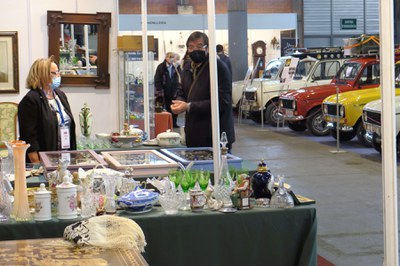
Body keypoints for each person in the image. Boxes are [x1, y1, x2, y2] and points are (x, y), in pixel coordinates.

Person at [171, 31, 235, 150]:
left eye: (199, 46)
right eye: (191, 47)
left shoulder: (218, 68)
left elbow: (222, 102)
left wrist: (189, 106)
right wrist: (179, 102)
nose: (195, 50)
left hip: (215, 134)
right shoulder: (187, 67)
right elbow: (181, 91)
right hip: (193, 133)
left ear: (207, 48)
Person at [18, 56, 77, 163]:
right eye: (54, 73)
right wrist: (38, 165)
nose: (58, 76)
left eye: (58, 72)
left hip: (65, 155)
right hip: (44, 160)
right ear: (42, 75)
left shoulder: (60, 95)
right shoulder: (31, 100)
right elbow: (29, 139)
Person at [154, 52, 180, 128]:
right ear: (166, 57)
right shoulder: (161, 67)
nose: (172, 59)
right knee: (165, 107)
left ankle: (174, 123)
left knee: (174, 107)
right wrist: (159, 89)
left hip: (174, 90)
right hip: (164, 91)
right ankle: (166, 124)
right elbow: (157, 79)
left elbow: (178, 78)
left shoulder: (175, 67)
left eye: (173, 57)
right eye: (170, 57)